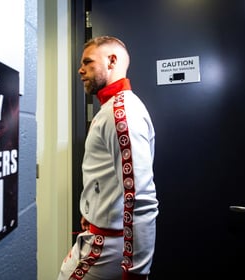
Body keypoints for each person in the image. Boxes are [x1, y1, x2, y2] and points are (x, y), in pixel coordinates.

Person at [57, 36, 159, 280]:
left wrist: (137, 272)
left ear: (112, 61)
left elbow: (141, 198)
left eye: (88, 62)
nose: (80, 70)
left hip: (107, 248)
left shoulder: (121, 113)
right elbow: (111, 175)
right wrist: (93, 208)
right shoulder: (112, 108)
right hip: (99, 235)